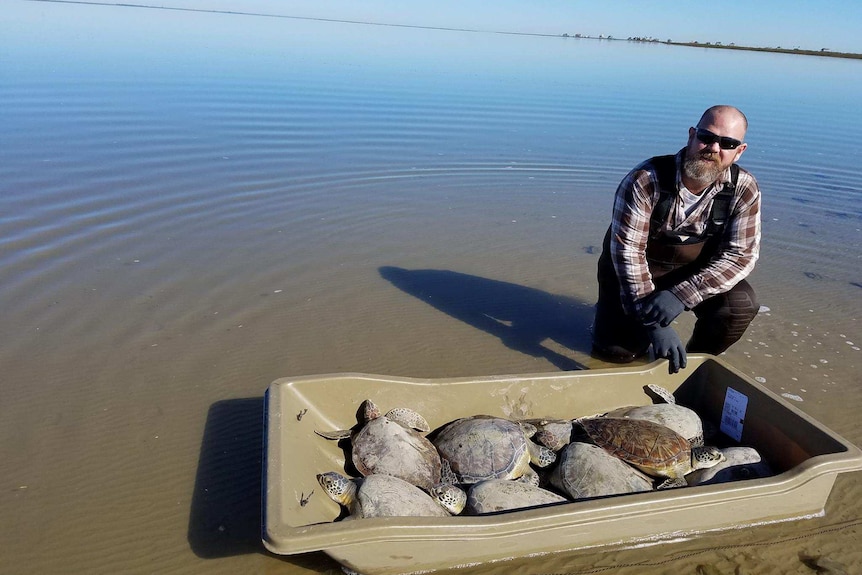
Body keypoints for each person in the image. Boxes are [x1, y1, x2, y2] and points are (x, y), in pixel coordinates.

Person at [592, 105, 761, 373]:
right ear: (692, 135)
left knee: (741, 306)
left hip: (692, 276)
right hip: (634, 275)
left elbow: (740, 256)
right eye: (707, 137)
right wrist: (654, 324)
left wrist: (681, 296)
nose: (714, 148)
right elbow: (628, 254)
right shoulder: (645, 180)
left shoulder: (744, 188)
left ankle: (689, 367)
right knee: (616, 355)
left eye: (727, 143)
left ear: (739, 150)